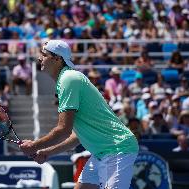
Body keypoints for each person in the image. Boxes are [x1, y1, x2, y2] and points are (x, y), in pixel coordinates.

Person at [20, 40, 139, 189]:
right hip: (101, 153)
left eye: (44, 54)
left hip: (116, 149)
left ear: (57, 59)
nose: (39, 58)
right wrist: (47, 152)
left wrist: (34, 145)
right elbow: (76, 136)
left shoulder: (69, 79)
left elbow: (63, 129)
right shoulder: (67, 79)